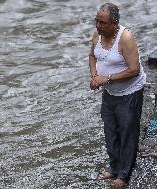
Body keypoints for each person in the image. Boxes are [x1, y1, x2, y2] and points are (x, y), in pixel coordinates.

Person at [88, 3, 146, 188]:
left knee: (127, 132)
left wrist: (108, 78)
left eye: (103, 22)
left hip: (130, 92)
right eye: (97, 21)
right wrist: (95, 77)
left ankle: (124, 175)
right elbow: (92, 56)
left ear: (115, 23)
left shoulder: (125, 37)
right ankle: (114, 168)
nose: (98, 25)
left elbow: (134, 70)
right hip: (110, 91)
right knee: (110, 130)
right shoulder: (98, 34)